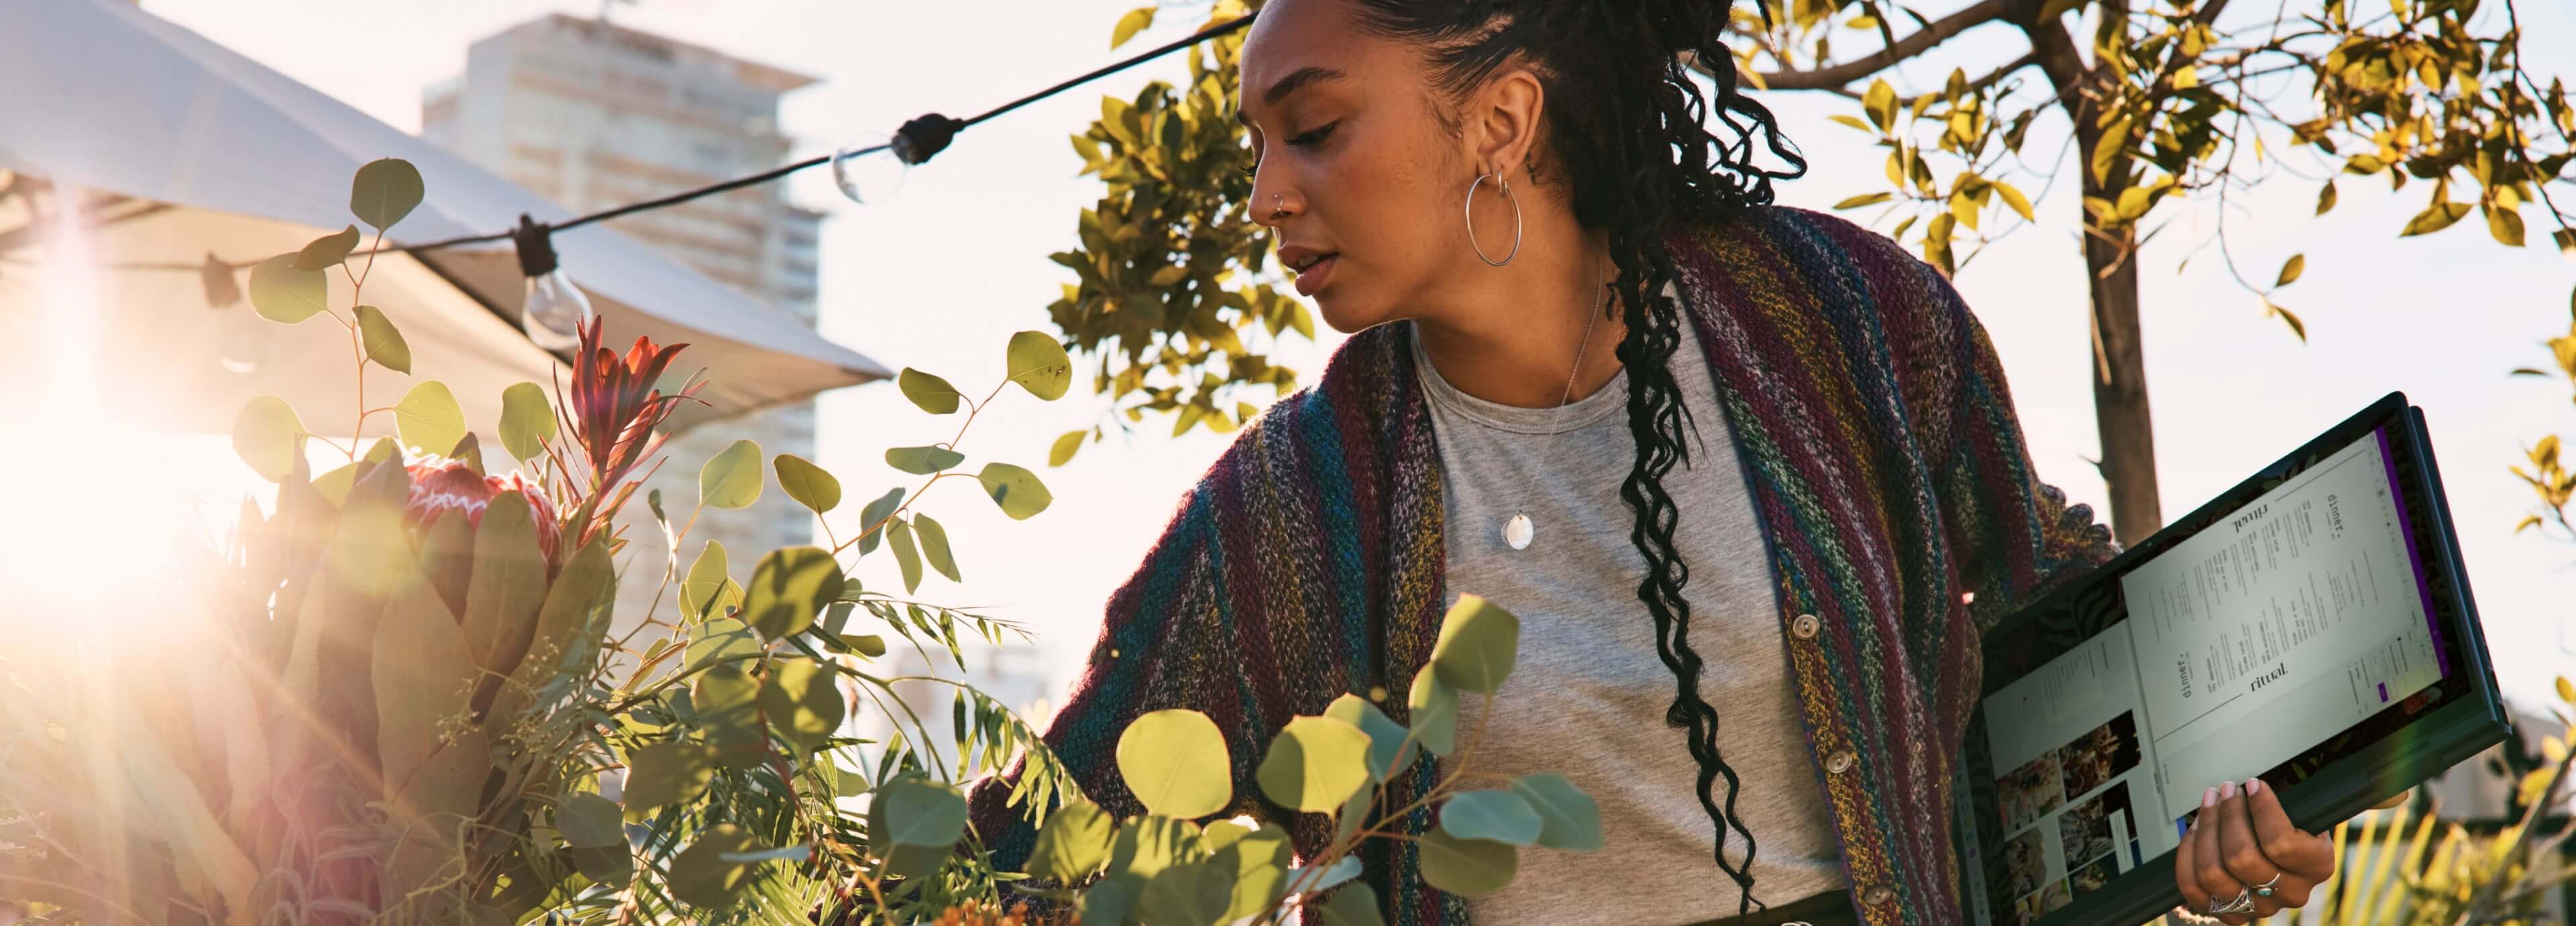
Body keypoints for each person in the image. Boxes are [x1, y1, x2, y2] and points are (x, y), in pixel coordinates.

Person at [965, 1, 2343, 924]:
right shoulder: (1297, 501)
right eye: (1258, 146)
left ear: (1502, 122)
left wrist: (2231, 806)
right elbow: (1059, 843)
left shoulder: (1848, 322)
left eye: (1314, 130)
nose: (1267, 195)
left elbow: (2061, 616)